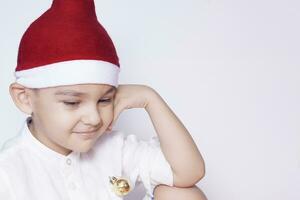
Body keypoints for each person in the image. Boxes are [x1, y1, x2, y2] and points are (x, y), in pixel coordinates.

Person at [0, 0, 207, 199]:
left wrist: (149, 98)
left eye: (105, 100)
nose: (94, 118)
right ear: (25, 98)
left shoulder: (113, 148)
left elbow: (187, 172)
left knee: (183, 194)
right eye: (72, 102)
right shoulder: (8, 172)